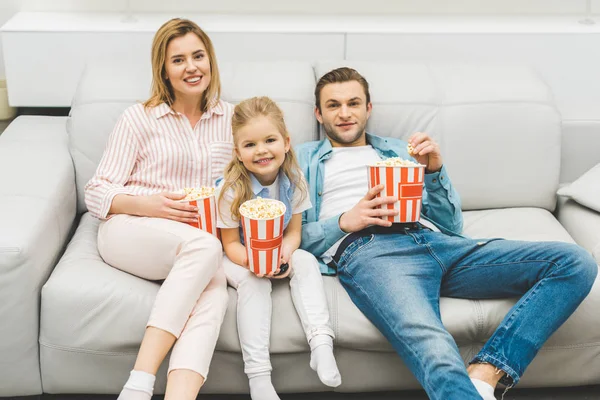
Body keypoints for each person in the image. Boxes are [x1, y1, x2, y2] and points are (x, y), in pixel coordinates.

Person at [296, 67, 598, 400]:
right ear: (318, 114)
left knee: (575, 262)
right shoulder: (300, 160)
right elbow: (285, 238)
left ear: (368, 108)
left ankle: (486, 371)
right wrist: (344, 221)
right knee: (434, 344)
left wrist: (434, 170)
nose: (344, 113)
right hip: (370, 251)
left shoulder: (400, 150)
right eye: (333, 105)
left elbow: (450, 225)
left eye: (353, 103)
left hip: (438, 243)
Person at [84, 18, 233, 400]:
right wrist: (147, 204)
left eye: (198, 56)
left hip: (193, 242)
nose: (191, 67)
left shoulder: (231, 119)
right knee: (206, 251)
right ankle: (139, 381)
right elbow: (97, 192)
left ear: (211, 61)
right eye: (178, 60)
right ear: (164, 71)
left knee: (214, 285)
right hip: (129, 228)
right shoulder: (139, 118)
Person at [216, 96, 341, 400]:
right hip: (238, 256)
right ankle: (258, 376)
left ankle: (321, 344)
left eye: (269, 140)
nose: (261, 150)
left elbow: (293, 233)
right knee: (254, 283)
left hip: (274, 250)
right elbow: (230, 243)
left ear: (286, 143)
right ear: (238, 152)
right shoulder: (230, 188)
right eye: (250, 145)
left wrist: (283, 254)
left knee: (306, 261)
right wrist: (256, 262)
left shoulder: (294, 180)